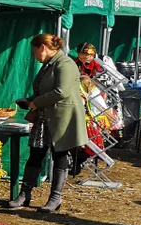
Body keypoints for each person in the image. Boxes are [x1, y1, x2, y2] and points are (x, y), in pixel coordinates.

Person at [9, 33, 89, 213]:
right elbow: (44, 90)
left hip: (62, 119)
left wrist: (35, 103)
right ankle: (25, 194)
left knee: (59, 155)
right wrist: (29, 100)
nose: (34, 55)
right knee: (35, 154)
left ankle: (55, 198)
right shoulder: (48, 65)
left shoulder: (65, 64)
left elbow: (61, 91)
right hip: (45, 119)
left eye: (34, 51)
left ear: (43, 48)